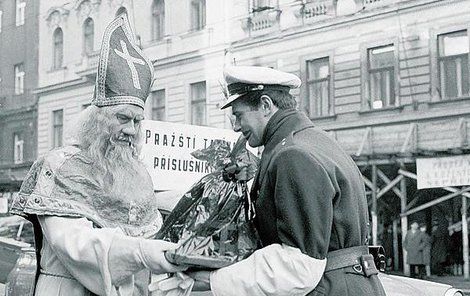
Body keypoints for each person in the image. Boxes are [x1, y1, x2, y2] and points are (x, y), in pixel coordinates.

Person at [9, 14, 186, 296]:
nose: (131, 130)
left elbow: (150, 234)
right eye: (123, 118)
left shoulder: (136, 173)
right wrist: (142, 253)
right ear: (98, 121)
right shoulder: (61, 166)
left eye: (137, 122)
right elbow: (78, 246)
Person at [187, 65, 386, 295]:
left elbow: (298, 264)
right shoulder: (314, 141)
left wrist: (212, 280)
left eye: (239, 115)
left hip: (329, 288)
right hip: (347, 284)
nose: (236, 127)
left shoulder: (292, 155)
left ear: (265, 105)